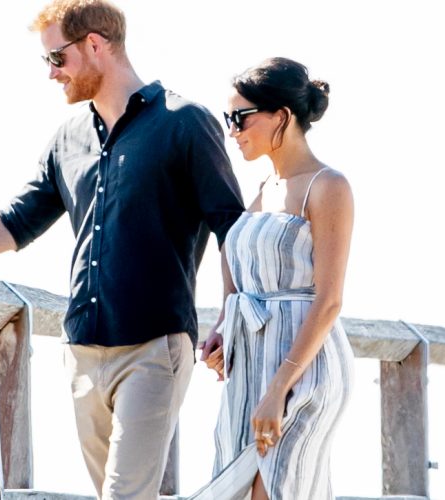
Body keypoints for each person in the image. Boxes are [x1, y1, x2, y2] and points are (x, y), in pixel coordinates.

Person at [0, 1, 244, 498]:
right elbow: (13, 223)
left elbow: (231, 228)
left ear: (95, 44)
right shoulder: (68, 138)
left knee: (124, 496)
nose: (51, 73)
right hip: (81, 350)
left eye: (56, 58)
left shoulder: (185, 123)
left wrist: (230, 315)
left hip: (155, 348)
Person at [194, 57, 356, 500]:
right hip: (251, 367)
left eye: (241, 117)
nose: (232, 130)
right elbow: (238, 261)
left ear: (282, 116)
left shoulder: (327, 186)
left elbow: (329, 300)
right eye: (228, 118)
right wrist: (224, 326)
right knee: (237, 490)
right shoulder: (266, 188)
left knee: (275, 489)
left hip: (302, 370)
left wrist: (280, 386)